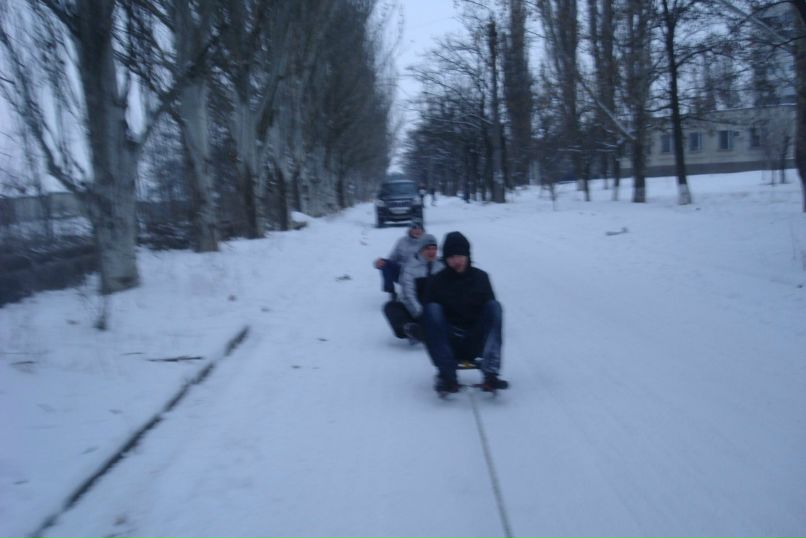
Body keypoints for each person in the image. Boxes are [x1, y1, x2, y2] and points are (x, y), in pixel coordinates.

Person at [422, 231, 509, 394]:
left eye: (460, 256)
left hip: (474, 339)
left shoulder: (481, 278)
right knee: (431, 310)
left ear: (468, 255)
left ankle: (491, 373)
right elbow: (428, 323)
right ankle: (447, 375)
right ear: (446, 258)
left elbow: (491, 319)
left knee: (494, 306)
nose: (456, 261)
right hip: (448, 341)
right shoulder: (436, 281)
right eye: (451, 257)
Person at [383, 233, 444, 342]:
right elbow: (408, 294)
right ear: (420, 249)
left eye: (434, 248)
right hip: (416, 312)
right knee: (391, 306)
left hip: (436, 312)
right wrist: (421, 315)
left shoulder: (441, 266)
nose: (431, 252)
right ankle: (410, 329)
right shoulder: (410, 268)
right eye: (427, 248)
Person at [373, 221, 423, 300]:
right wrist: (380, 263)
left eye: (419, 228)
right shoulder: (402, 241)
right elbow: (392, 258)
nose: (417, 231)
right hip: (401, 271)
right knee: (383, 262)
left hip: (418, 275)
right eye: (414, 228)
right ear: (410, 230)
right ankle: (391, 292)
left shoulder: (427, 243)